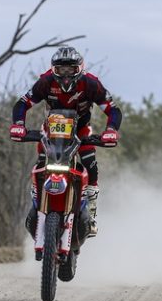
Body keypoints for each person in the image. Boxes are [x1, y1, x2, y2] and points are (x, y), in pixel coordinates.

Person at [9, 45, 122, 238]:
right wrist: (18, 124)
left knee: (90, 164)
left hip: (81, 130)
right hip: (51, 132)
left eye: (70, 69)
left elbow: (113, 109)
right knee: (41, 162)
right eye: (61, 69)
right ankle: (36, 202)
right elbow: (22, 103)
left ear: (80, 68)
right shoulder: (45, 81)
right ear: (54, 69)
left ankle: (91, 213)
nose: (66, 74)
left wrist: (111, 130)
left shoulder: (91, 83)